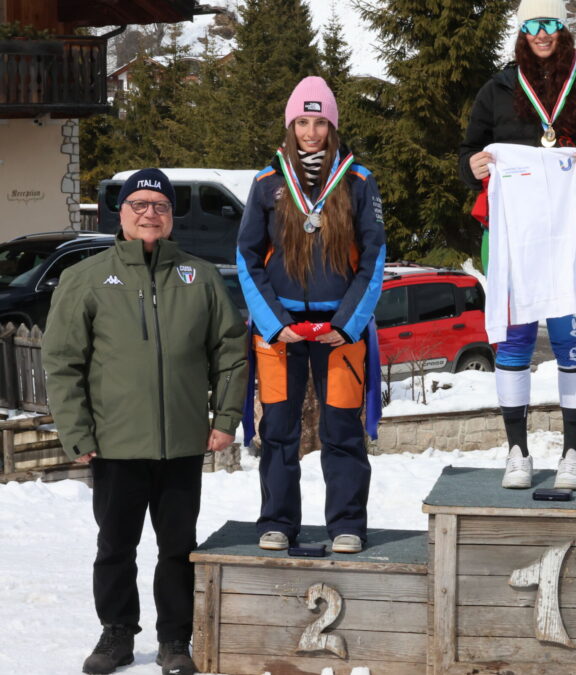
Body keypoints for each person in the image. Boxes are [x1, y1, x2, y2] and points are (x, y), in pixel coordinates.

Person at [42, 169, 247, 675]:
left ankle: (176, 639)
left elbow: (230, 353)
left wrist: (225, 418)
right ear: (122, 214)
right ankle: (117, 634)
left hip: (181, 441)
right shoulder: (86, 278)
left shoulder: (199, 277)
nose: (149, 213)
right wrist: (76, 431)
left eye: (159, 206)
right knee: (115, 547)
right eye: (139, 204)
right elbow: (63, 360)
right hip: (114, 442)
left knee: (178, 547)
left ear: (171, 217)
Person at [459, 0, 576, 491]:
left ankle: (572, 454)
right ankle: (517, 451)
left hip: (569, 240)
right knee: (513, 342)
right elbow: (468, 151)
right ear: (521, 31)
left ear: (564, 29)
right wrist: (472, 167)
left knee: (570, 341)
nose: (541, 33)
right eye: (531, 24)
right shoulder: (497, 88)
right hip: (515, 235)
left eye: (550, 23)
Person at [237, 76, 386, 555]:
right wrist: (272, 321)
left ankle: (347, 524)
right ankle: (277, 522)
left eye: (320, 122)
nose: (311, 131)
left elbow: (374, 259)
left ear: (332, 126)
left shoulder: (359, 182)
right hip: (280, 332)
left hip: (340, 333)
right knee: (278, 431)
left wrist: (347, 324)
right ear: (290, 124)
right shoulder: (266, 183)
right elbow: (245, 255)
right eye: (303, 121)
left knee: (341, 431)